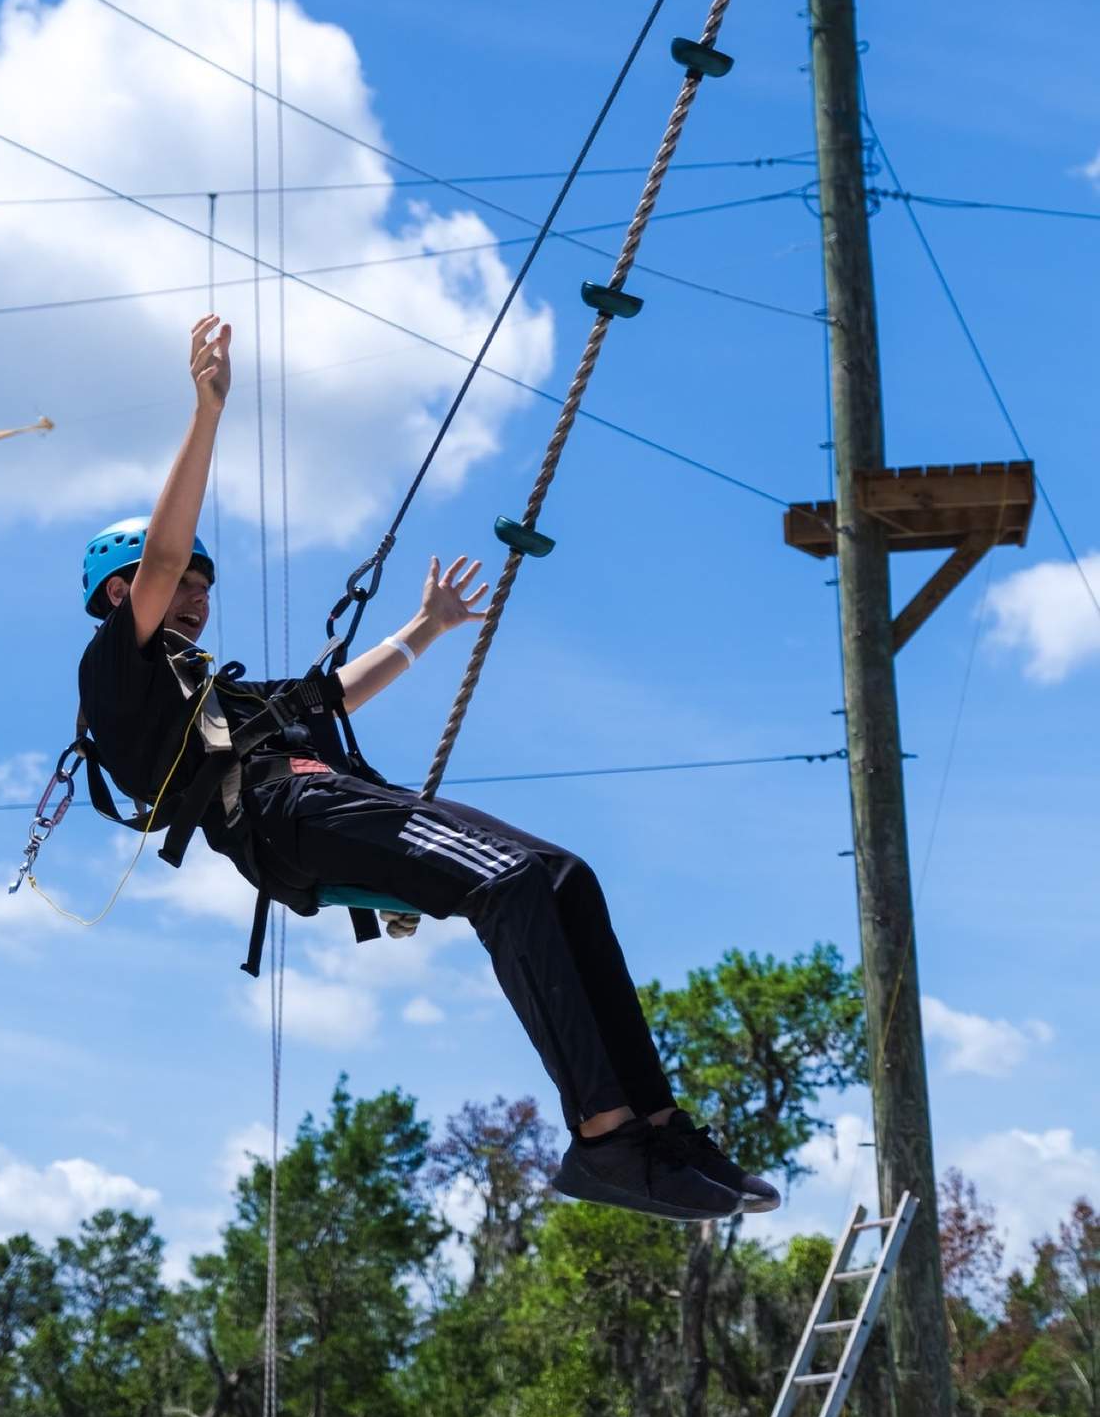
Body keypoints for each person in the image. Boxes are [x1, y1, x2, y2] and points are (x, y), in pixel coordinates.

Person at [78, 315, 779, 1224]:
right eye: (180, 583)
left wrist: (426, 630)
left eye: (209, 585)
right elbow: (165, 553)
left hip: (328, 801)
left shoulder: (220, 697)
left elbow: (330, 698)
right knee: (513, 882)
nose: (197, 595)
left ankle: (657, 1124)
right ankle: (606, 1137)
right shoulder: (116, 670)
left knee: (565, 879)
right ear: (118, 594)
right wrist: (207, 410)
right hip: (288, 818)